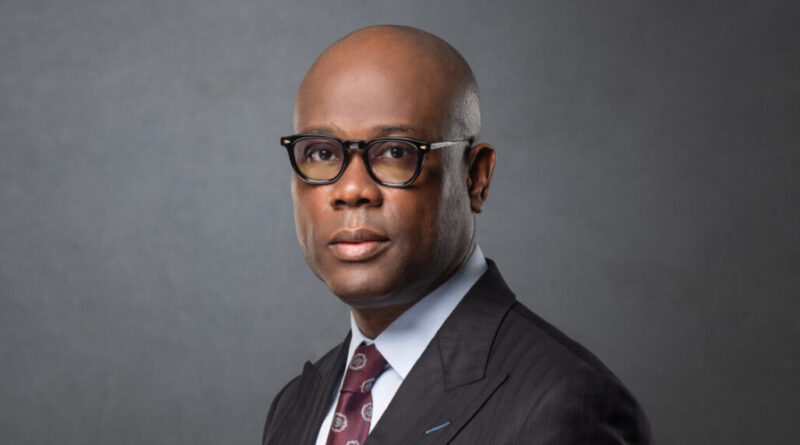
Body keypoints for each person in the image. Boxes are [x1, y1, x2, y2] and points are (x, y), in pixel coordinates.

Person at [262, 25, 651, 445]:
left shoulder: (565, 404)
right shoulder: (296, 404)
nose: (352, 189)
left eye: (395, 152)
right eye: (321, 153)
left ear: (475, 177)